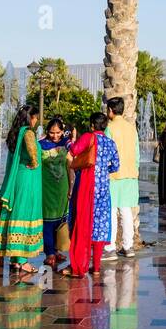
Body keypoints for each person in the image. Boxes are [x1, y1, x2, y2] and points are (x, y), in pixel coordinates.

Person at [67, 112, 119, 277]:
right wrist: (103, 170)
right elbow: (116, 166)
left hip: (86, 188)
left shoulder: (88, 137)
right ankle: (96, 268)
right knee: (99, 227)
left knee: (82, 223)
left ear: (91, 125)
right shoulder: (110, 143)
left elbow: (74, 151)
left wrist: (69, 141)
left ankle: (79, 264)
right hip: (103, 189)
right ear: (105, 126)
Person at [0, 105, 45, 276]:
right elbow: (33, 152)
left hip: (18, 179)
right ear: (30, 117)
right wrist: (35, 162)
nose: (37, 120)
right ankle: (23, 261)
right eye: (35, 117)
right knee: (25, 214)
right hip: (27, 180)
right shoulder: (28, 133)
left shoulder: (16, 133)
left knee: (16, 214)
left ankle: (16, 260)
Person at [104, 97, 140, 261]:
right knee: (126, 210)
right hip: (130, 173)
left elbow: (106, 151)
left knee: (111, 211)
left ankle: (110, 248)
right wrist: (136, 168)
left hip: (113, 174)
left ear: (110, 111)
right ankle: (128, 246)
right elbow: (137, 151)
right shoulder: (131, 128)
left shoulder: (109, 128)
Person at [39, 117, 72, 266]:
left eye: (58, 132)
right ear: (47, 131)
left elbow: (70, 166)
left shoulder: (66, 144)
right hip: (46, 189)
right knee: (48, 222)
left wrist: (71, 187)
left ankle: (57, 250)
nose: (55, 136)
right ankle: (49, 252)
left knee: (60, 221)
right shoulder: (40, 145)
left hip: (62, 188)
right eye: (52, 132)